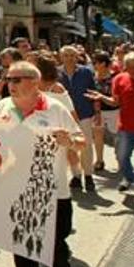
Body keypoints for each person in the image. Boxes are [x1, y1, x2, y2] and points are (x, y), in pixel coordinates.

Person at [0, 61, 86, 267]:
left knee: (56, 250)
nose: (8, 84)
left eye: (16, 79)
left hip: (54, 194)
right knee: (23, 254)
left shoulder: (54, 109)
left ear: (34, 82)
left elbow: (81, 141)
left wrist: (70, 142)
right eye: (7, 78)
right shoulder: (2, 106)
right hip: (17, 192)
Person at [86, 52, 134, 207]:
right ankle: (129, 177)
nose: (132, 70)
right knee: (121, 156)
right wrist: (101, 97)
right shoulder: (119, 79)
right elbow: (116, 102)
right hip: (127, 127)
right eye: (128, 67)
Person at [58, 46, 97, 192]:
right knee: (70, 147)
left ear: (77, 57)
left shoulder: (86, 72)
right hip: (65, 116)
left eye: (72, 55)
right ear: (61, 57)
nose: (69, 58)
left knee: (86, 145)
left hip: (84, 113)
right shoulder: (57, 73)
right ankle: (76, 175)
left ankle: (88, 175)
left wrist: (97, 112)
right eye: (66, 55)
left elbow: (93, 91)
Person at [90, 52, 118, 170]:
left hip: (113, 110)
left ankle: (120, 158)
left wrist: (101, 97)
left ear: (103, 64)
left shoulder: (115, 77)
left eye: (96, 62)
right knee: (98, 136)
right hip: (97, 111)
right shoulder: (92, 76)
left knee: (117, 136)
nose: (94, 65)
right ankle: (100, 160)